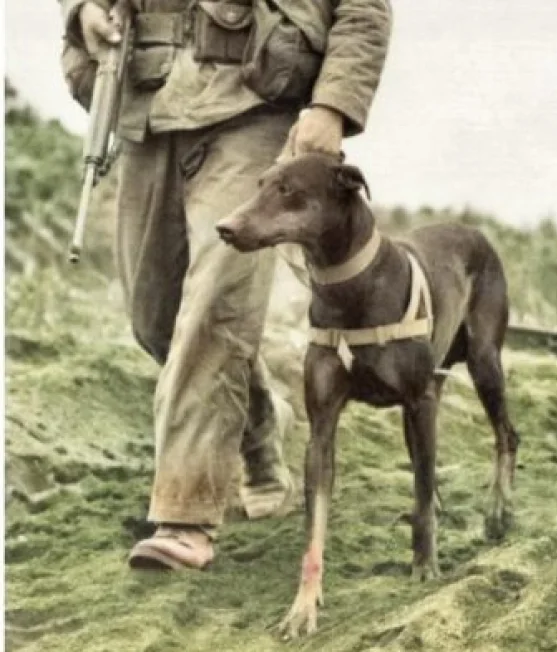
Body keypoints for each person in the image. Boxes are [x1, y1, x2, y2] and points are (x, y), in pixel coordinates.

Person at [57, 0, 393, 570]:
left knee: (216, 304)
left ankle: (183, 517)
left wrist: (333, 105)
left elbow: (364, 8)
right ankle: (260, 423)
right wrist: (82, 9)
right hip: (151, 97)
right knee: (155, 319)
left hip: (254, 102)